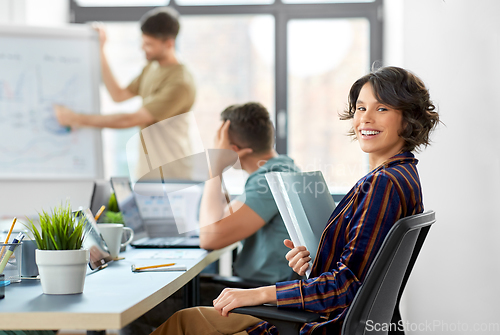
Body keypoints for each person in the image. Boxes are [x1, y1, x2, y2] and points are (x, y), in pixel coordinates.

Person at [149, 66, 440, 335]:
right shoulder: (399, 175)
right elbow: (360, 273)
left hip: (320, 324)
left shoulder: (383, 184)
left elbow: (348, 285)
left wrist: (261, 293)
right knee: (187, 319)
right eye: (361, 108)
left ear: (408, 117)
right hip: (323, 314)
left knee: (182, 322)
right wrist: (315, 263)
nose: (365, 117)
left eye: (382, 108)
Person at [120, 102, 300, 335]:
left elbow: (209, 237)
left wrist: (214, 168)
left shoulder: (268, 181)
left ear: (235, 150)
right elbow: (221, 219)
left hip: (258, 294)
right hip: (256, 288)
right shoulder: (278, 171)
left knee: (138, 306)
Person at [54, 7, 196, 180]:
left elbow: (131, 119)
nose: (143, 48)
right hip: (148, 173)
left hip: (173, 176)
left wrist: (76, 119)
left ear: (169, 44)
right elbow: (118, 95)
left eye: (149, 45)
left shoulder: (180, 83)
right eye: (143, 42)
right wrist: (100, 49)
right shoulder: (152, 67)